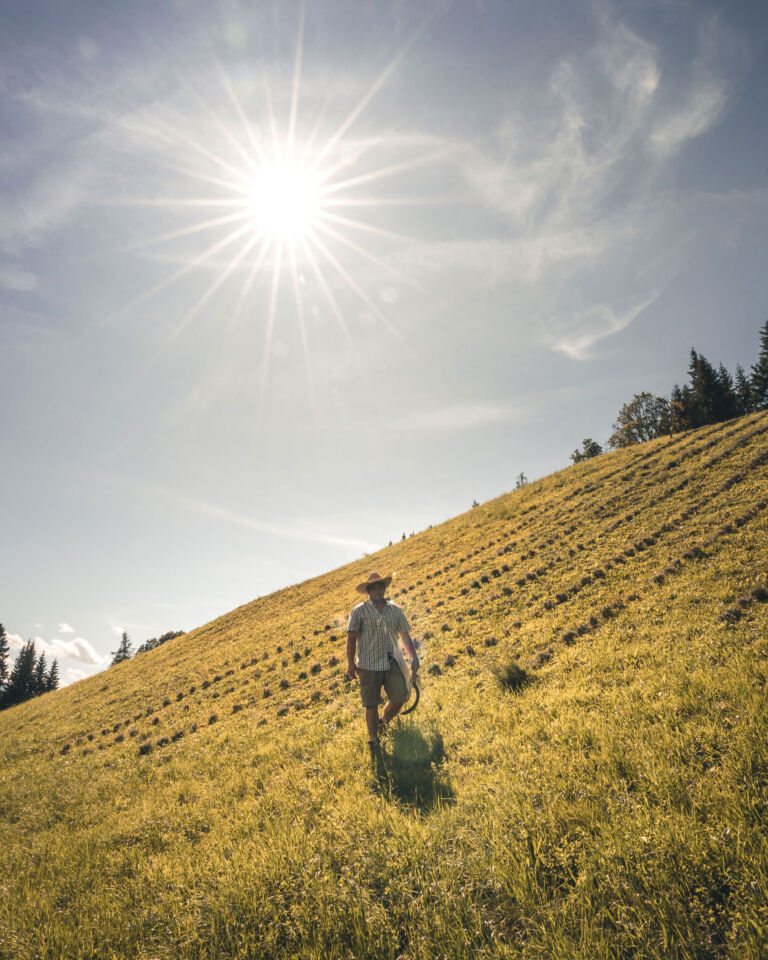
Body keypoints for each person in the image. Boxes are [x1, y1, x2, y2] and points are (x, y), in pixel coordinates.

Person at [346, 572, 419, 745]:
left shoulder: (395, 610)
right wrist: (350, 662)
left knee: (400, 696)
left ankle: (384, 719)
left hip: (392, 660)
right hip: (368, 664)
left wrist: (414, 657)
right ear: (369, 590)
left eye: (380, 586)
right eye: (374, 587)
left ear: (384, 588)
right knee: (370, 703)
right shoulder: (359, 611)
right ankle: (373, 739)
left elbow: (405, 636)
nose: (377, 590)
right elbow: (351, 638)